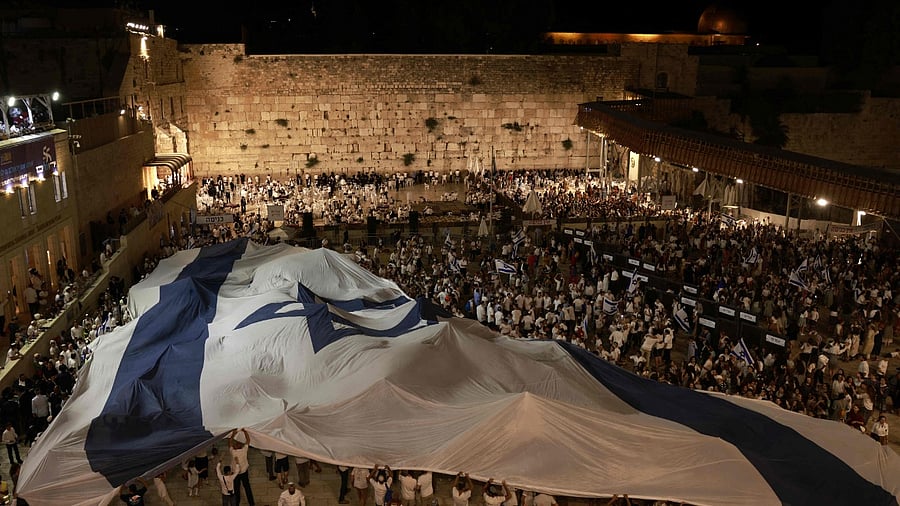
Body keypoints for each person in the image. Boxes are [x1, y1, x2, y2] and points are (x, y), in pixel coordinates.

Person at [228, 428, 255, 506]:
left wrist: (233, 434)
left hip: (235, 473)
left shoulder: (233, 452)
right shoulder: (244, 450)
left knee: (236, 489)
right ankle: (251, 503)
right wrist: (245, 431)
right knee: (247, 487)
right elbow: (248, 440)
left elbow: (230, 442)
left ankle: (237, 503)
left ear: (235, 447)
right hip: (243, 471)